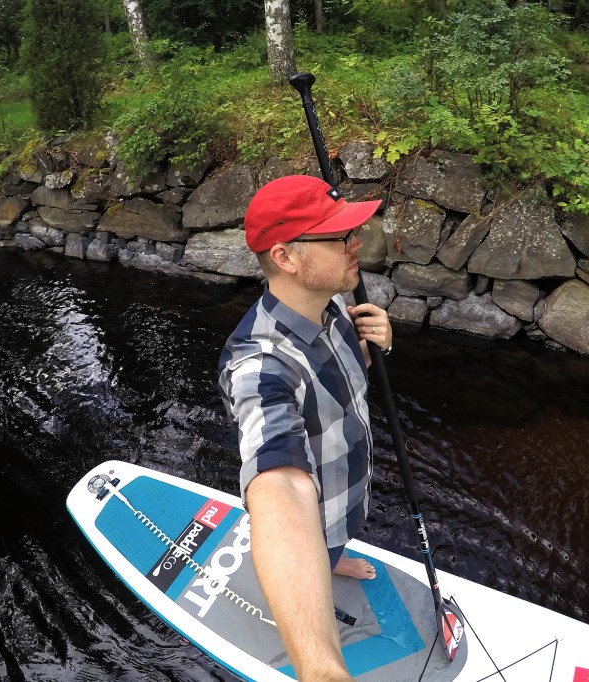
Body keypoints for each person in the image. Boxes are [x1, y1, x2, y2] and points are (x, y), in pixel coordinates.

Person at [218, 175, 392, 681]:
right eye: (339, 238)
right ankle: (323, 559)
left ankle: (332, 554)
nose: (356, 244)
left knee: (337, 535)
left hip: (347, 491)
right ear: (286, 258)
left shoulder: (332, 303)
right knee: (315, 533)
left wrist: (377, 342)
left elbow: (340, 375)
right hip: (314, 508)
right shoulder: (258, 364)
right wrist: (322, 673)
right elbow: (282, 483)